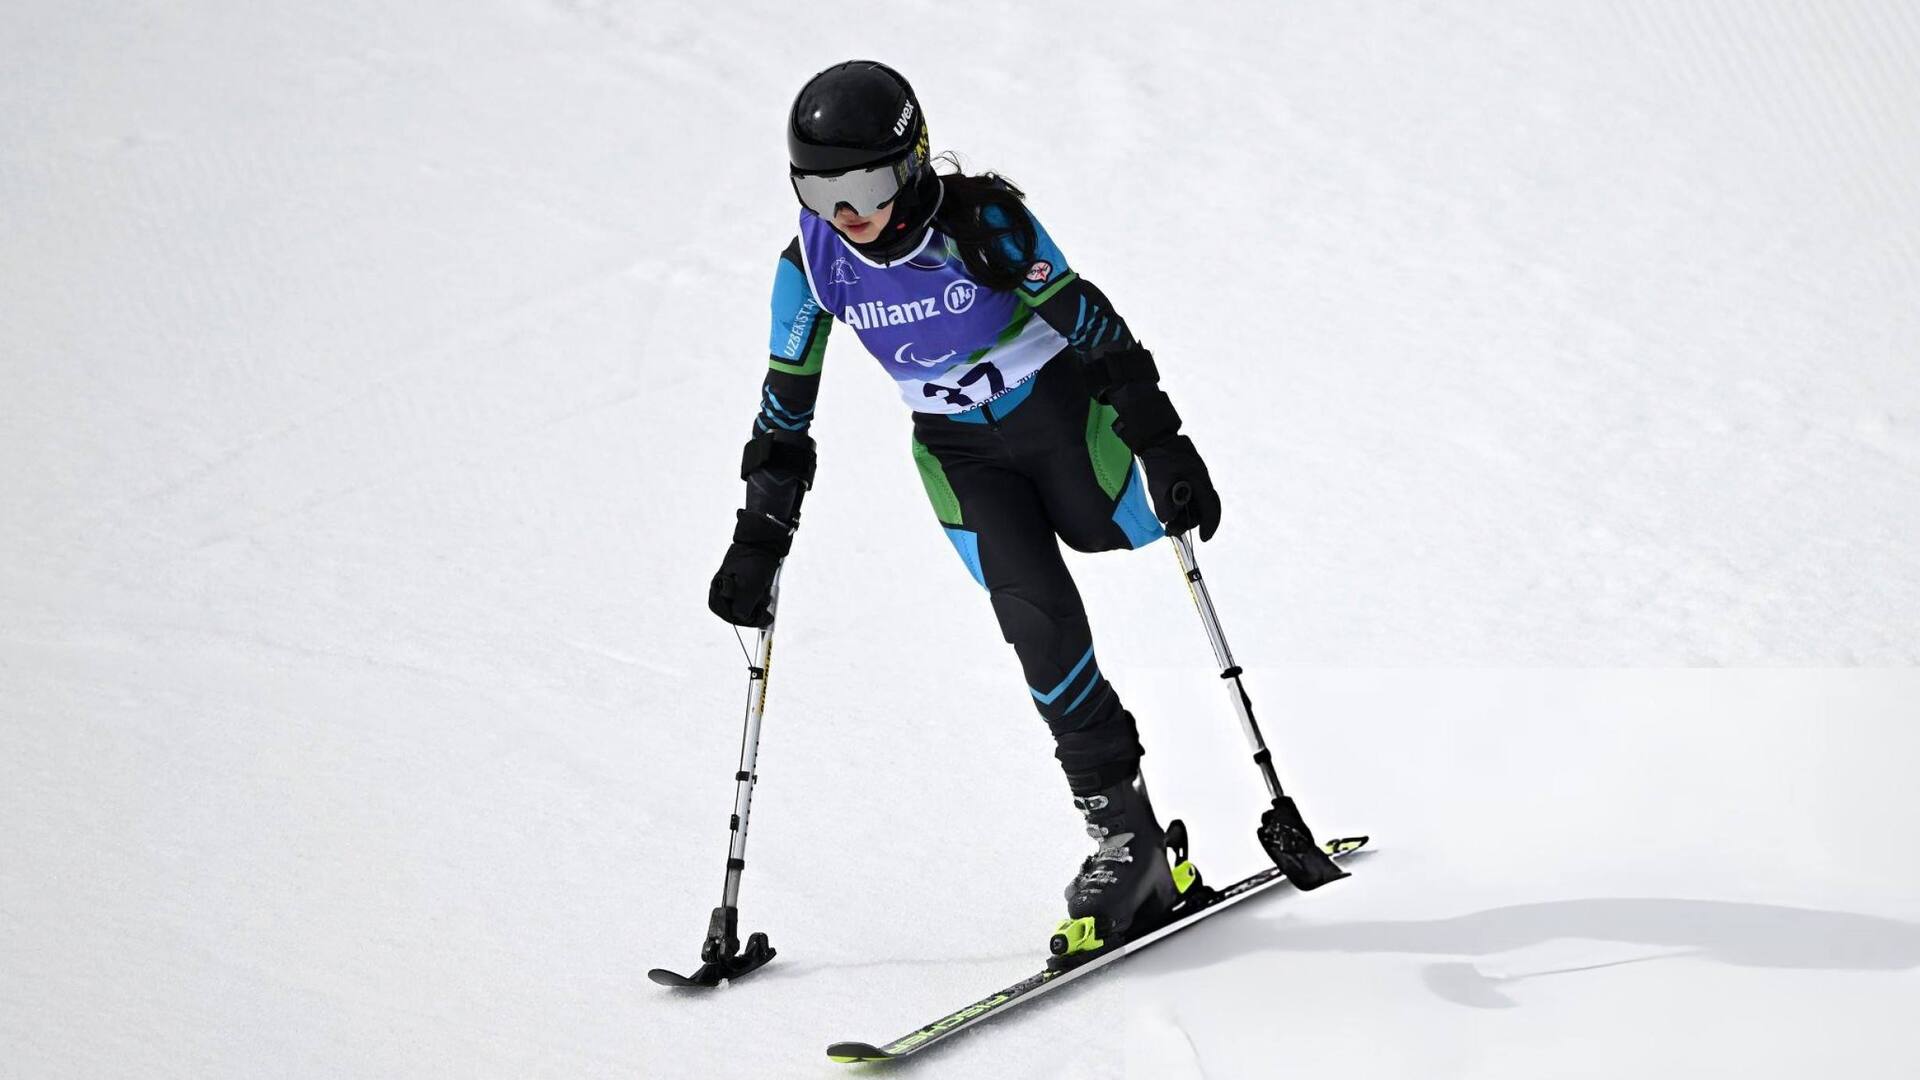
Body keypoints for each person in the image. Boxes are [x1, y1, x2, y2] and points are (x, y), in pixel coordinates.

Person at [706, 60, 1223, 962]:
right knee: (1037, 623)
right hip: (961, 456)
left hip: (1061, 421)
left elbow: (1091, 323)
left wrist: (1164, 441)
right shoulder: (812, 267)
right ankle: (1126, 839)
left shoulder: (983, 225)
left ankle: (1145, 845)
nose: (846, 213)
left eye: (865, 186)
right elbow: (785, 414)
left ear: (910, 164)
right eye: (819, 191)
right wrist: (758, 540)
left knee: (1112, 528)